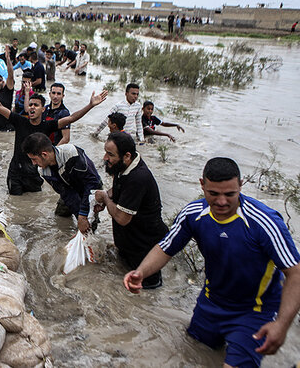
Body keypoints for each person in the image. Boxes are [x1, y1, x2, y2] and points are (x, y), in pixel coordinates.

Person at [124, 157, 300, 368]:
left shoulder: (264, 222)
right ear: (202, 185)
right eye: (213, 193)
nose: (222, 202)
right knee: (193, 351)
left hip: (254, 311)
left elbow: (295, 273)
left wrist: (281, 324)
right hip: (211, 302)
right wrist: (141, 272)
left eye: (230, 194)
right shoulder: (194, 214)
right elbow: (166, 247)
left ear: (240, 186)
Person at [0, 77, 107, 195]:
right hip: (16, 172)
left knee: (35, 203)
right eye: (30, 105)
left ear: (42, 109)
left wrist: (90, 105)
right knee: (15, 201)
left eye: (36, 105)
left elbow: (71, 118)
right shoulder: (19, 121)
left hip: (34, 173)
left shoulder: (47, 125)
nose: (32, 108)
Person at [94, 132, 167, 288]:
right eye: (105, 152)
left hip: (143, 249)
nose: (105, 158)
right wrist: (106, 195)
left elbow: (122, 218)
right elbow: (118, 189)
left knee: (145, 293)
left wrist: (106, 200)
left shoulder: (138, 178)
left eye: (110, 154)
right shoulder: (122, 167)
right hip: (129, 244)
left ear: (127, 156)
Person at [23, 133, 102, 232]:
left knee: (90, 224)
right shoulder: (43, 170)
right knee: (61, 215)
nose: (33, 163)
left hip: (90, 187)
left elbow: (92, 184)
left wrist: (83, 215)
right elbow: (66, 193)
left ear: (44, 155)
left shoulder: (72, 154)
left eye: (34, 159)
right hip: (69, 186)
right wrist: (79, 217)